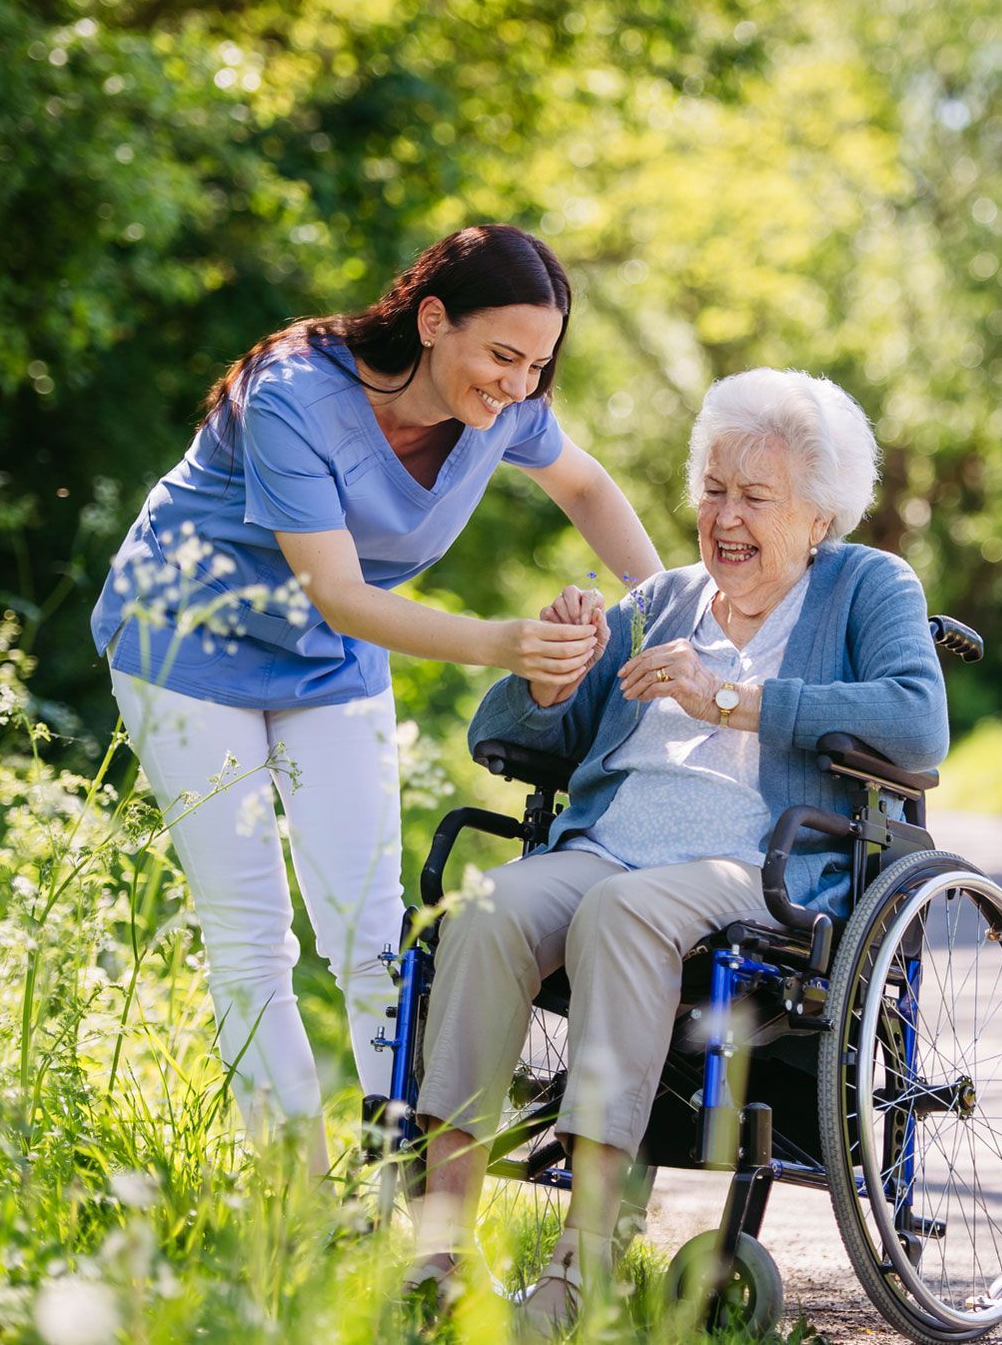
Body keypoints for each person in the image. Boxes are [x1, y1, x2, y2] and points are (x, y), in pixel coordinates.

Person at [89, 225, 662, 1167]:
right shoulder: (293, 394)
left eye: (538, 365)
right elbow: (343, 595)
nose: (518, 384)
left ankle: (403, 1177)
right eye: (503, 356)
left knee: (370, 928)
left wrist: (672, 609)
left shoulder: (508, 409)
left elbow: (588, 488)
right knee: (251, 931)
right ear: (433, 320)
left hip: (326, 665)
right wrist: (504, 644)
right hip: (186, 646)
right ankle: (295, 1193)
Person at [408, 367, 950, 1326]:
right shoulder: (660, 600)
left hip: (758, 861)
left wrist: (731, 699)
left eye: (755, 497)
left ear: (819, 517)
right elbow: (516, 739)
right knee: (485, 912)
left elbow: (916, 726)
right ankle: (436, 1251)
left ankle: (583, 1264)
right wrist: (554, 672)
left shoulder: (868, 585)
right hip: (607, 844)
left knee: (624, 912)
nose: (726, 518)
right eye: (713, 490)